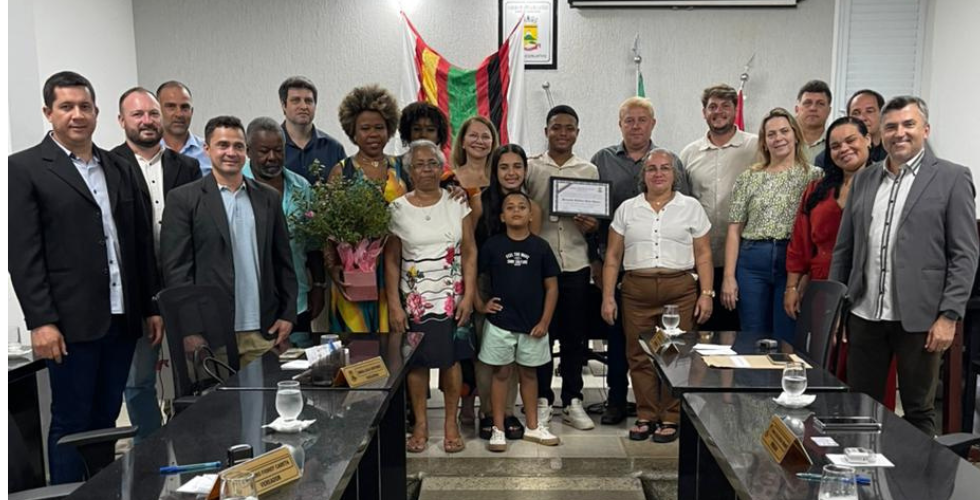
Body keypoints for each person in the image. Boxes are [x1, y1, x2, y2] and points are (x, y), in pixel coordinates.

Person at [9, 71, 160, 483]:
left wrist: (149, 306)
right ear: (48, 112)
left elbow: (139, 242)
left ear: (96, 112)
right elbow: (23, 256)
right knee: (71, 422)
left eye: (85, 107)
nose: (78, 115)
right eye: (66, 107)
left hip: (121, 317)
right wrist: (40, 321)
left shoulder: (118, 165)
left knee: (107, 418)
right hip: (68, 324)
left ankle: (103, 490)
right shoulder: (24, 168)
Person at [830, 96, 978, 435]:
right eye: (891, 127)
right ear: (880, 135)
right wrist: (839, 309)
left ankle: (916, 485)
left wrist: (949, 316)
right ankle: (863, 483)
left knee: (917, 411)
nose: (900, 133)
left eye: (908, 125)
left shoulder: (952, 178)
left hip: (921, 319)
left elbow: (965, 254)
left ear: (925, 130)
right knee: (859, 407)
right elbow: (844, 250)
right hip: (865, 314)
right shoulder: (865, 179)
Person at [160, 116, 297, 366]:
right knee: (217, 406)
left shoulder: (268, 198)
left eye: (238, 146)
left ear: (246, 151)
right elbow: (177, 272)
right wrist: (189, 329)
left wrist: (288, 314)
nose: (231, 153)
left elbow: (283, 262)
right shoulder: (183, 200)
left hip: (263, 331)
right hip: (211, 335)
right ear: (207, 149)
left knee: (264, 405)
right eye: (223, 145)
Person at [600, 149, 713, 444]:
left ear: (675, 174)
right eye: (651, 169)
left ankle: (671, 416)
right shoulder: (627, 209)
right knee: (639, 356)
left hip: (680, 292)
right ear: (643, 175)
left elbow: (703, 254)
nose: (658, 173)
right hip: (636, 292)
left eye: (665, 168)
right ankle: (646, 414)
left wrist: (707, 294)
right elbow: (612, 256)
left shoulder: (691, 207)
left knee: (675, 355)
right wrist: (608, 297)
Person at [591, 96, 688, 425]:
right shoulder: (601, 160)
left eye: (641, 120)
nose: (635, 126)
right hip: (614, 265)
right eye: (628, 120)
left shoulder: (669, 161)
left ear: (653, 124)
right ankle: (617, 401)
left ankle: (668, 410)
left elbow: (684, 208)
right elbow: (589, 208)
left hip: (665, 272)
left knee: (669, 347)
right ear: (620, 124)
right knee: (624, 343)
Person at [111, 86, 201, 442]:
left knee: (193, 376)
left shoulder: (188, 167)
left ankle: (195, 451)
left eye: (152, 114)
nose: (147, 121)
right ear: (122, 120)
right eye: (137, 115)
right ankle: (152, 452)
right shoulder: (109, 165)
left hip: (184, 289)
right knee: (138, 382)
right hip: (137, 293)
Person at [385, 140, 476, 454]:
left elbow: (471, 252)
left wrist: (469, 296)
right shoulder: (396, 209)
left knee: (451, 361)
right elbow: (392, 260)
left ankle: (451, 423)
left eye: (433, 163)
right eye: (419, 164)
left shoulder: (457, 202)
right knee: (417, 364)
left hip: (452, 297)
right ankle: (421, 424)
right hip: (415, 300)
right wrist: (395, 304)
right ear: (410, 171)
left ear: (442, 167)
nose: (426, 169)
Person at [525, 105, 599, 431]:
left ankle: (572, 400)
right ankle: (543, 399)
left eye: (569, 128)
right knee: (541, 336)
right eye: (556, 127)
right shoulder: (529, 168)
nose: (563, 133)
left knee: (574, 337)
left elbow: (596, 222)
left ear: (577, 133)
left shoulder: (589, 170)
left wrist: (590, 224)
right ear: (546, 131)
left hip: (575, 262)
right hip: (539, 268)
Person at [722, 108, 821, 342]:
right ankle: (752, 379)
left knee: (787, 334)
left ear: (796, 135)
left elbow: (816, 232)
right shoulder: (749, 177)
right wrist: (728, 276)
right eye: (771, 134)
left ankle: (784, 379)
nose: (778, 139)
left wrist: (806, 276)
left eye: (784, 131)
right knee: (752, 334)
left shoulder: (815, 176)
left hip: (792, 263)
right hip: (752, 262)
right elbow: (734, 230)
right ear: (764, 142)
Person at [477, 191, 561, 452]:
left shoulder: (540, 247)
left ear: (531, 214)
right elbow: (476, 278)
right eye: (510, 207)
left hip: (533, 325)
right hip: (500, 323)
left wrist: (545, 321)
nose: (516, 211)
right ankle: (498, 428)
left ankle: (534, 426)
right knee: (501, 373)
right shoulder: (492, 246)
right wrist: (481, 305)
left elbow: (552, 287)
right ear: (502, 216)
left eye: (522, 207)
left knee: (529, 373)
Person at [473, 144, 543, 441]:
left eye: (517, 166)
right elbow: (470, 250)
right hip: (486, 283)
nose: (511, 173)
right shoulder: (479, 201)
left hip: (518, 286)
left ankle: (509, 413)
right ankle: (488, 412)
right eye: (504, 167)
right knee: (489, 355)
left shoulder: (532, 206)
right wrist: (476, 297)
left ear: (525, 170)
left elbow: (532, 252)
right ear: (494, 170)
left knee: (516, 355)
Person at [326, 84, 406, 333]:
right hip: (354, 272)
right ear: (353, 131)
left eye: (379, 128)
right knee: (357, 352)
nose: (373, 134)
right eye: (365, 128)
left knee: (394, 347)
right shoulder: (341, 171)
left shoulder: (402, 168)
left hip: (395, 271)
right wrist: (332, 265)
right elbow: (327, 227)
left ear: (389, 129)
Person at [680, 84, 759, 332]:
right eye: (712, 106)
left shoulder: (756, 147)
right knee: (703, 331)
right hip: (701, 259)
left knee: (735, 330)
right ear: (704, 112)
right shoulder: (689, 153)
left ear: (735, 110)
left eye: (726, 105)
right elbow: (682, 204)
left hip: (743, 257)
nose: (719, 111)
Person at [242, 117, 326, 346]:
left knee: (297, 370)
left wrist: (319, 286)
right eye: (264, 151)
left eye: (278, 150)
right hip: (250, 306)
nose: (272, 158)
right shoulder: (236, 187)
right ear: (248, 151)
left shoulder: (302, 187)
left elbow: (313, 243)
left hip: (297, 299)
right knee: (258, 374)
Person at [786, 117, 872, 314]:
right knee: (822, 343)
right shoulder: (816, 190)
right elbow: (800, 243)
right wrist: (791, 287)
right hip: (821, 283)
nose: (844, 149)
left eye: (851, 141)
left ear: (867, 139)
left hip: (866, 283)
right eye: (835, 145)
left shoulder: (885, 186)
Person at [279, 76, 346, 184]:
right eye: (296, 100)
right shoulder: (270, 147)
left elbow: (347, 189)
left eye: (309, 101)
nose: (303, 106)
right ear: (283, 106)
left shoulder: (333, 148)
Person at [814, 89, 888, 168]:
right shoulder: (826, 159)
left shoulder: (895, 153)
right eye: (856, 113)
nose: (862, 118)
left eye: (869, 111)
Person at [157, 80, 211, 175]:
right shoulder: (148, 153)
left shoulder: (210, 151)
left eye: (184, 107)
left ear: (192, 112)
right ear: (157, 110)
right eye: (171, 107)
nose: (179, 114)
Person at [451, 115, 500, 216]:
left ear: (492, 143)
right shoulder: (447, 180)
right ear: (462, 142)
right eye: (473, 135)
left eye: (485, 137)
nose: (479, 141)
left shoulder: (502, 179)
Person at [794, 80, 832, 164]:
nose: (813, 108)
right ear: (797, 109)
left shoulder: (835, 145)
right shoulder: (782, 142)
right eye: (807, 103)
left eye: (820, 104)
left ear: (829, 111)